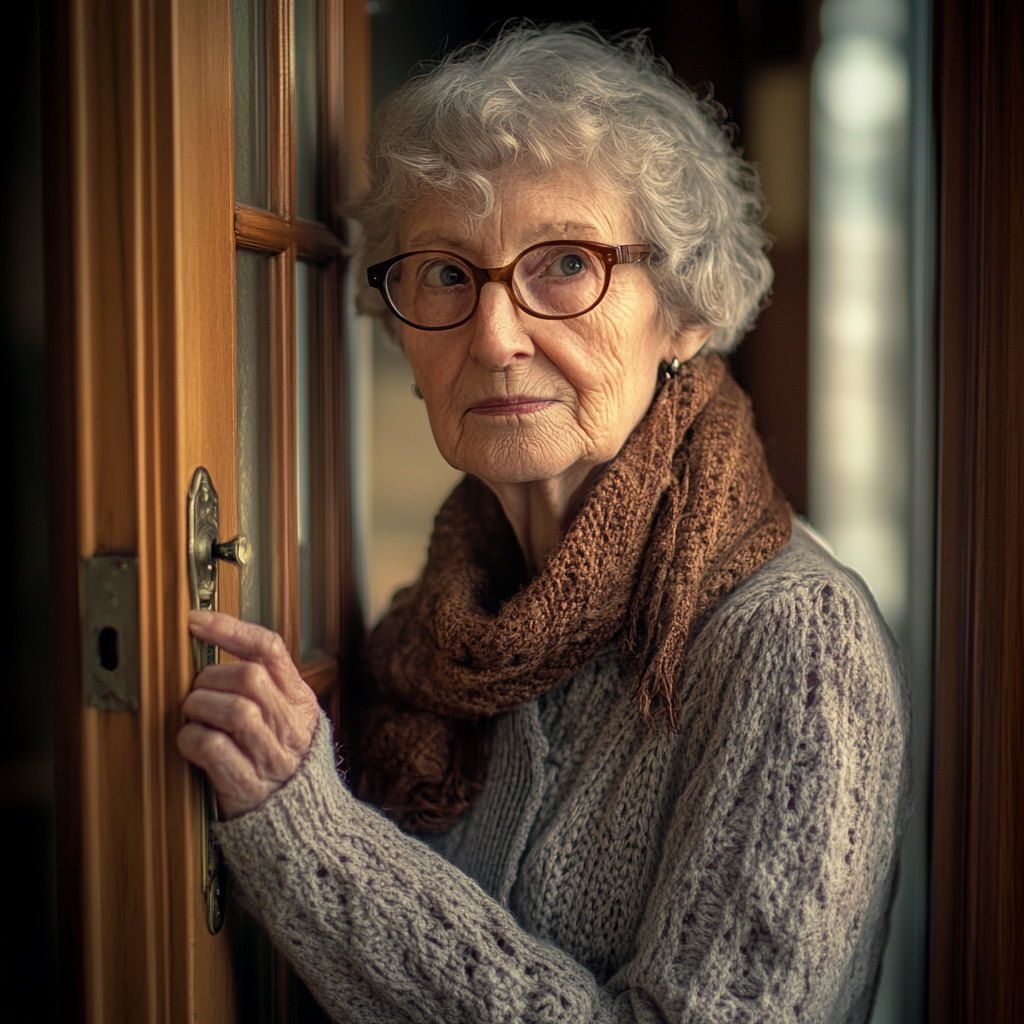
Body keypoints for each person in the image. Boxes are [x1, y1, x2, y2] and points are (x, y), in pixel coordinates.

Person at [177, 23, 911, 1023]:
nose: (493, 334)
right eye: (443, 272)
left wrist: (314, 841)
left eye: (564, 264)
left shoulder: (791, 639)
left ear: (685, 310)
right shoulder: (427, 634)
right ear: (400, 329)